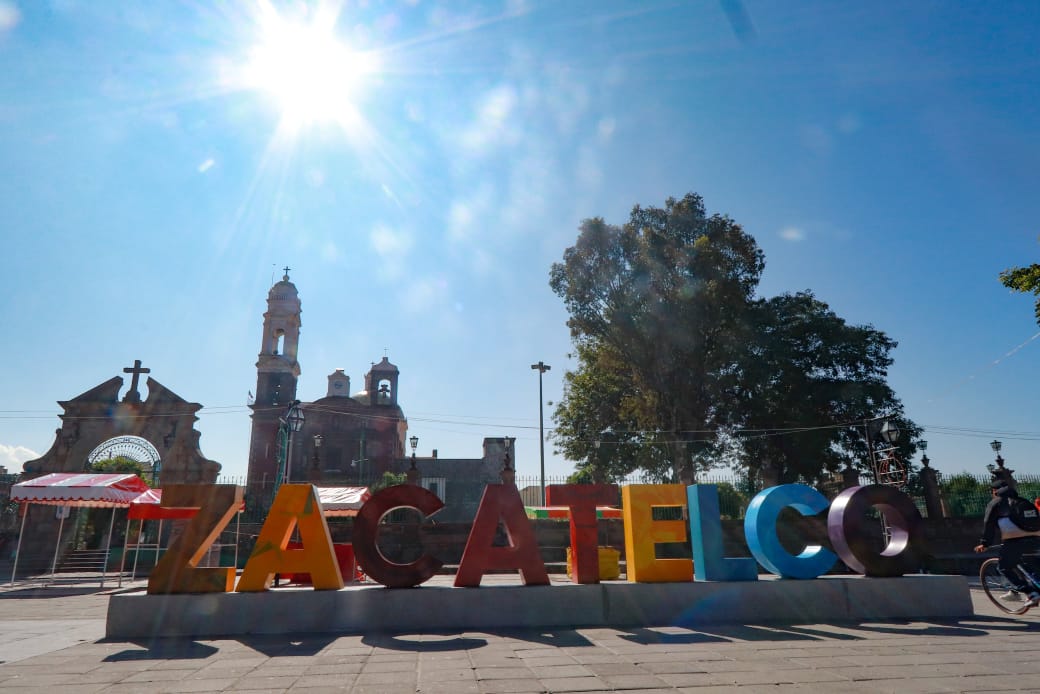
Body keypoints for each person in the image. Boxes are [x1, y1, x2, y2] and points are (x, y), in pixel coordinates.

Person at [974, 480, 1040, 605]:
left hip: (1014, 540)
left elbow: (989, 524)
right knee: (1031, 566)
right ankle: (1033, 592)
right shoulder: (1023, 501)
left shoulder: (996, 503)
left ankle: (1031, 594)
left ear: (994, 491)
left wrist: (985, 543)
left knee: (1004, 567)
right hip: (1036, 538)